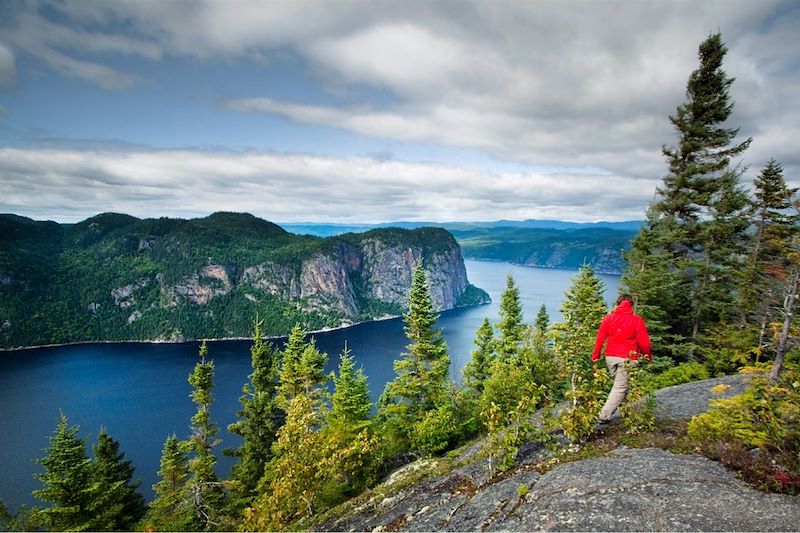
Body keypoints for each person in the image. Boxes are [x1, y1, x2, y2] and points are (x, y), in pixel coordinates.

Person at [591, 294, 652, 425]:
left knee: (621, 386)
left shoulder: (609, 318)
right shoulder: (636, 320)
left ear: (617, 303)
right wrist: (647, 355)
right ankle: (604, 416)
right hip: (628, 358)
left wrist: (596, 355)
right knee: (620, 388)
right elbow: (644, 342)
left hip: (611, 358)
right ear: (631, 305)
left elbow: (600, 338)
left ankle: (628, 411)